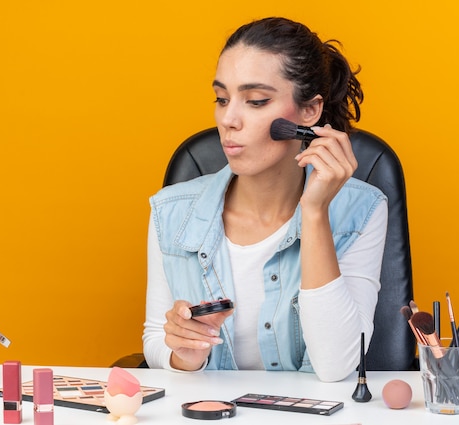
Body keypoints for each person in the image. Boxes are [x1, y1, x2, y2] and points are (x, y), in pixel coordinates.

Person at [142, 17, 387, 382]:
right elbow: (154, 339)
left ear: (309, 112)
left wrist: (315, 211)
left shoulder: (362, 210)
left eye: (256, 101)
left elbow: (336, 366)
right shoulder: (171, 211)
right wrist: (185, 353)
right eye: (222, 99)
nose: (228, 118)